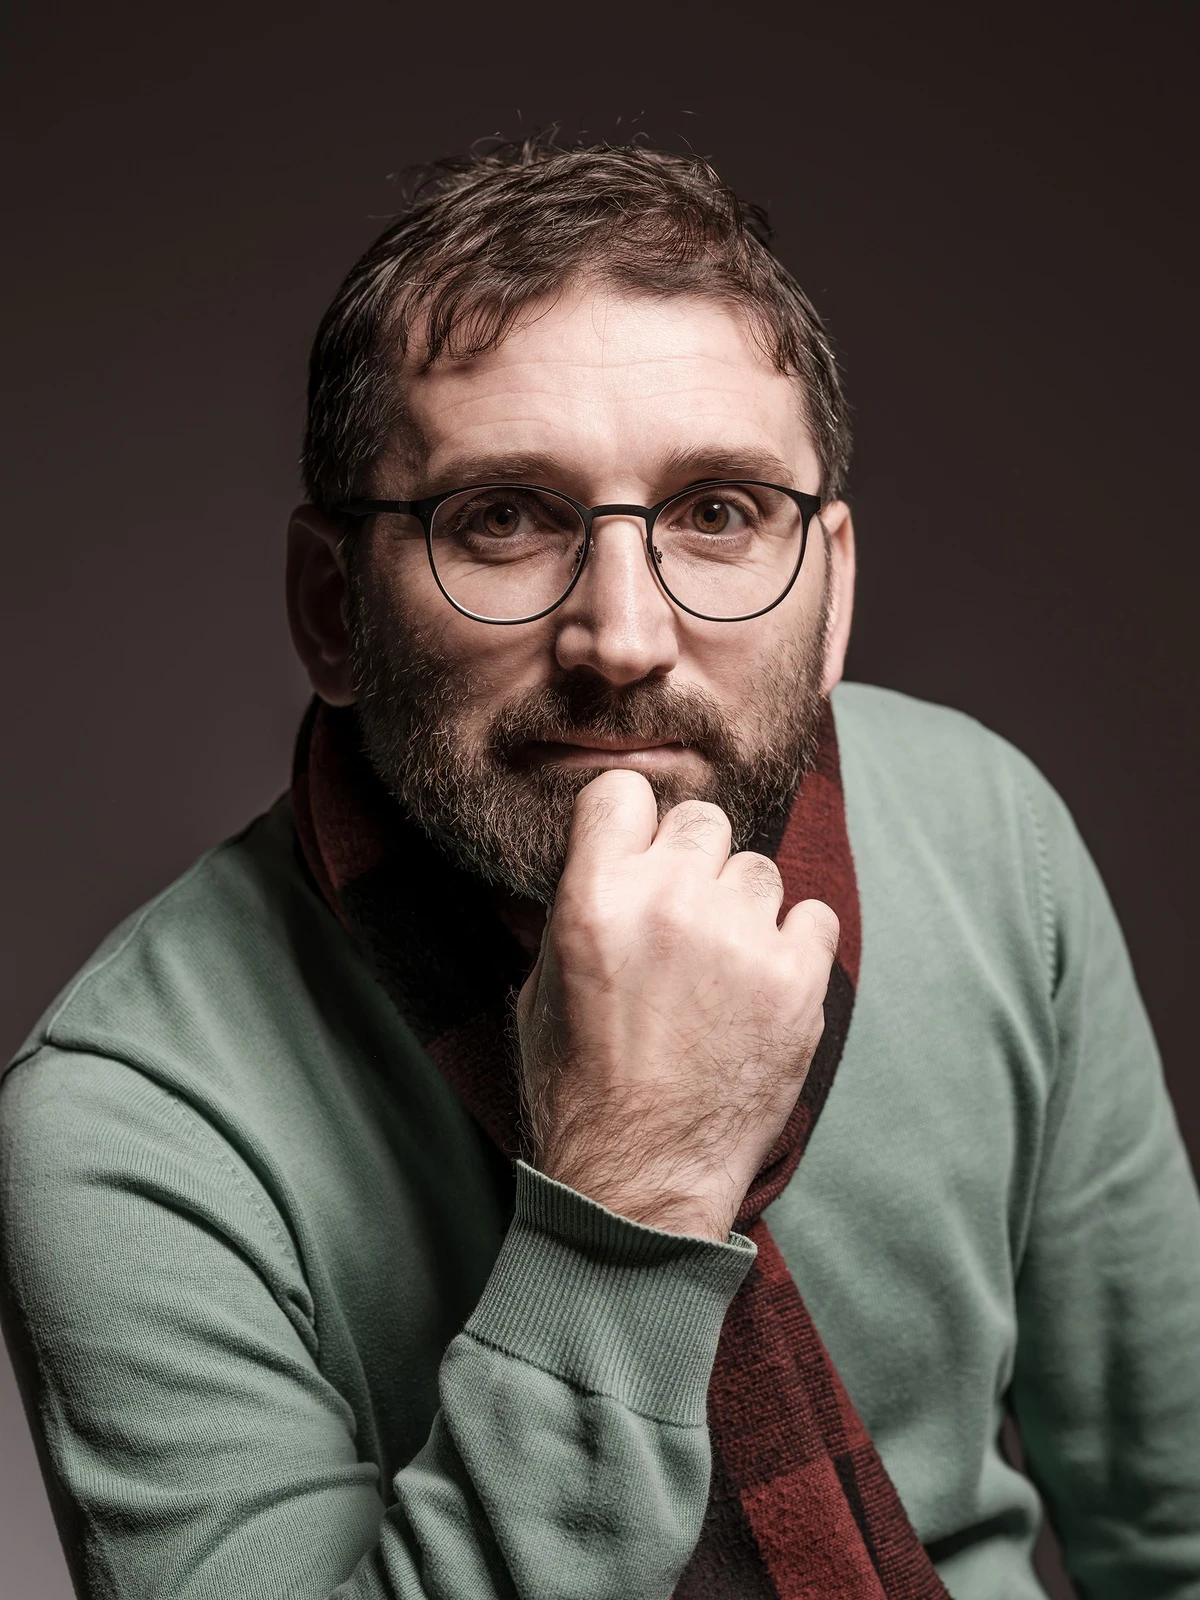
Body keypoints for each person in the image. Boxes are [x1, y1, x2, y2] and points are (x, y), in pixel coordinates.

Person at [2, 135, 1198, 1600]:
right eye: (500, 518)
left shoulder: (987, 832)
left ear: (831, 600)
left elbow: (1179, 1521)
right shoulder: (126, 1127)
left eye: (717, 513)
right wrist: (626, 1207)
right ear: (332, 606)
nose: (623, 637)